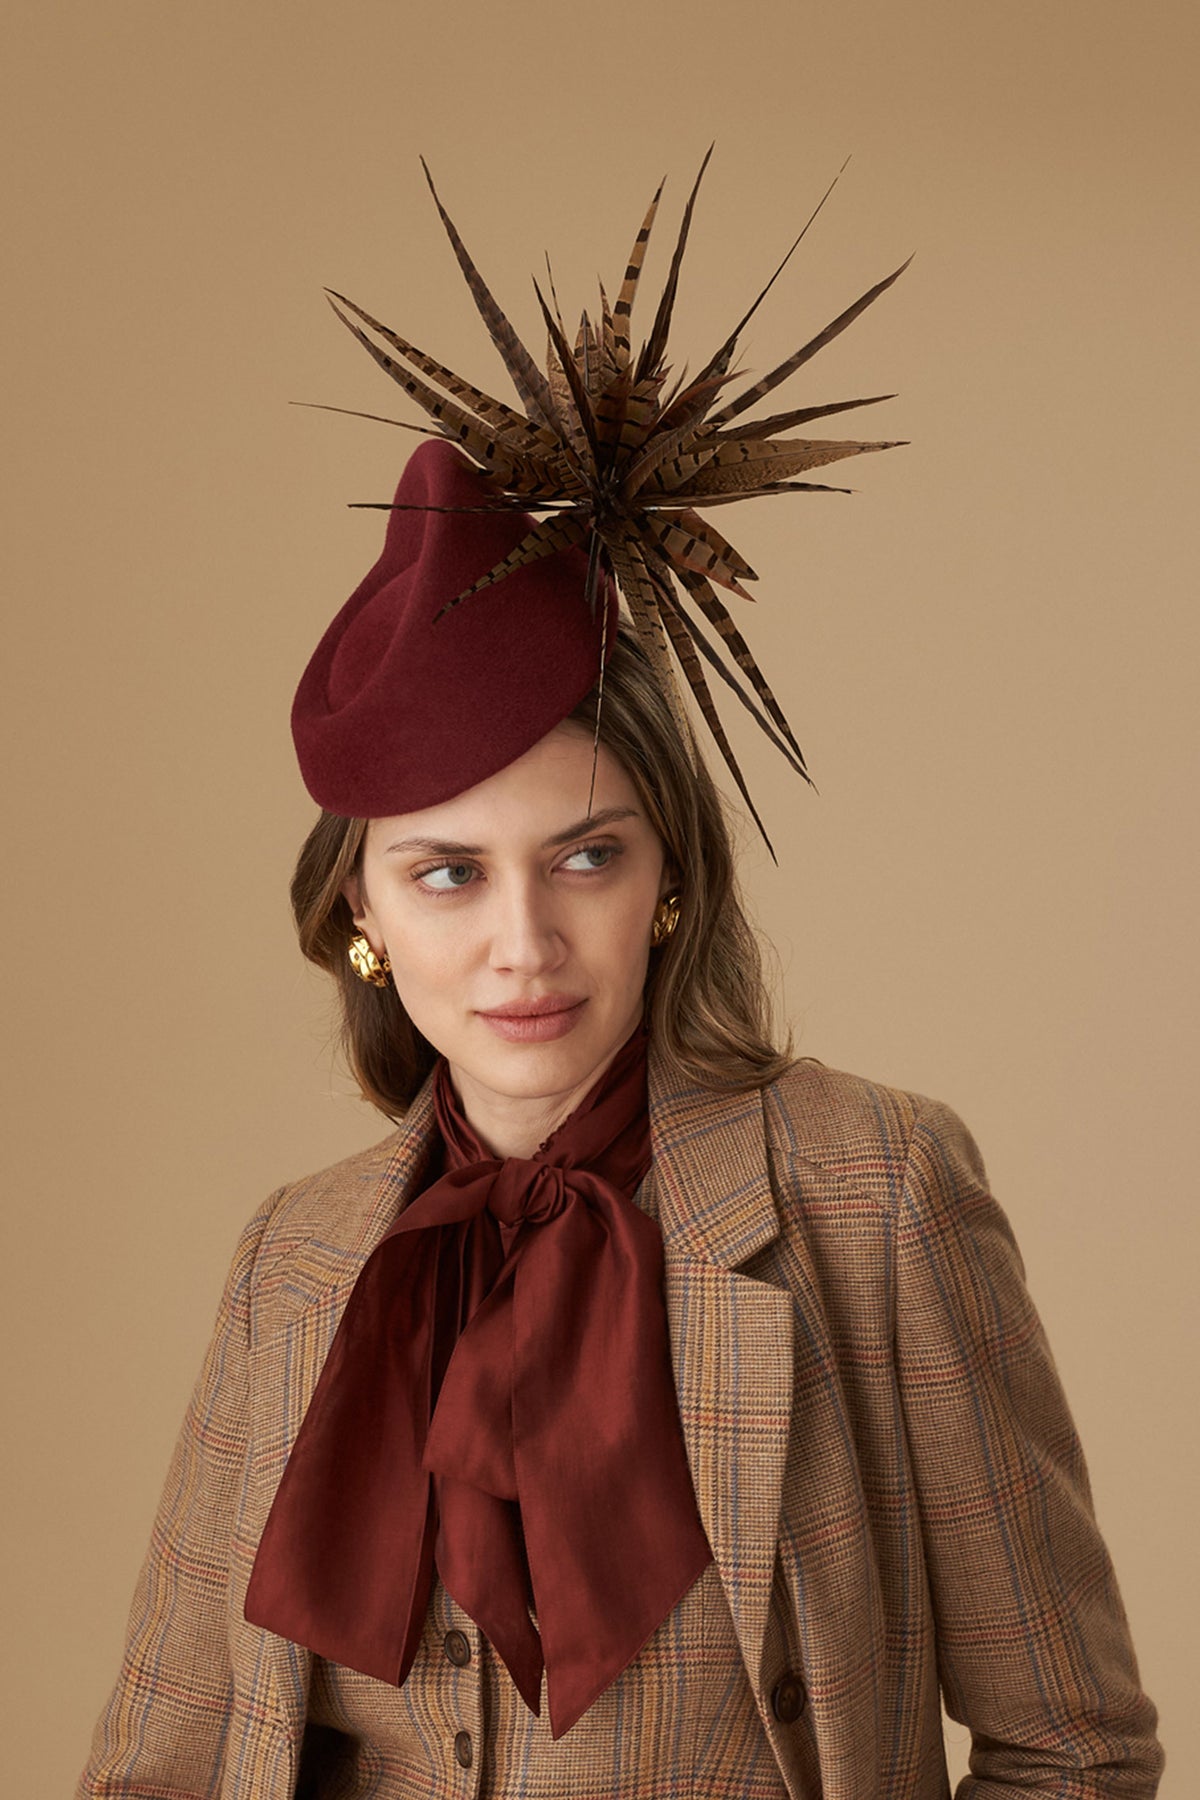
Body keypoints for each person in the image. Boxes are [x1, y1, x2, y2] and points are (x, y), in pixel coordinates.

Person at [77, 170, 1164, 1795]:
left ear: (669, 885)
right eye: (447, 873)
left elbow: (1070, 1748)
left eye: (587, 856)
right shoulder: (294, 1268)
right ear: (362, 914)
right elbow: (155, 1769)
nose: (523, 940)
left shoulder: (874, 1191)